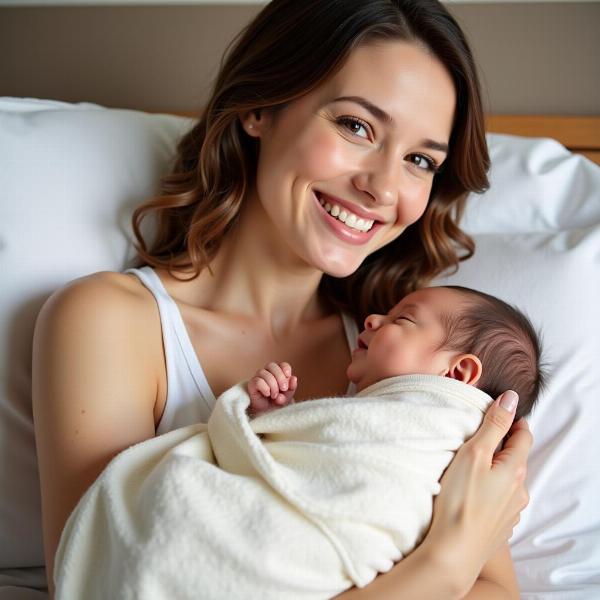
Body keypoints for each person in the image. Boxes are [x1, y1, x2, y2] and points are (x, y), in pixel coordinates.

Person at [32, 1, 533, 598]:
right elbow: (100, 578)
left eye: (419, 160)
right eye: (356, 126)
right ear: (259, 108)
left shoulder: (415, 369)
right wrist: (442, 569)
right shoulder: (108, 322)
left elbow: (499, 591)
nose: (382, 188)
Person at [248, 285, 545, 420]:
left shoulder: (443, 442)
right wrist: (277, 418)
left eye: (402, 319)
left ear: (457, 373)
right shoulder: (371, 415)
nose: (372, 319)